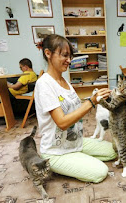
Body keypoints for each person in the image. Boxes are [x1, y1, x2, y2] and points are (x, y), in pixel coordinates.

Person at [34, 34, 116, 183]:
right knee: (100, 172)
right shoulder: (44, 84)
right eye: (64, 55)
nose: (69, 60)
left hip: (74, 142)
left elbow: (74, 107)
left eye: (70, 56)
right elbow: (62, 123)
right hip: (56, 151)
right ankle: (61, 164)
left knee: (115, 150)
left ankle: (79, 159)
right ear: (48, 53)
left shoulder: (64, 80)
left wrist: (96, 99)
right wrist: (91, 102)